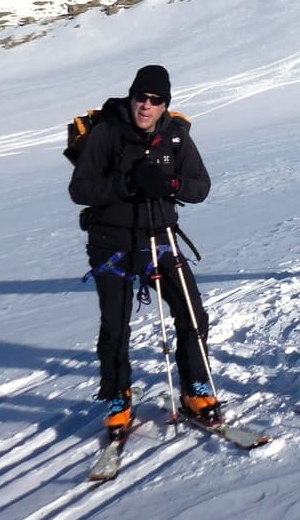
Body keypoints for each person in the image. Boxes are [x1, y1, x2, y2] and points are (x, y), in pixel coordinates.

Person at [69, 64, 216, 434]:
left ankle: (195, 387)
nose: (146, 106)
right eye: (141, 98)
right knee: (116, 325)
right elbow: (81, 190)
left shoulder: (176, 137)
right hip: (111, 243)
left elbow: (200, 187)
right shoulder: (107, 135)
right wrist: (129, 184)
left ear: (166, 104)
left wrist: (170, 183)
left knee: (192, 314)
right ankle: (118, 395)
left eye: (156, 100)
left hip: (160, 239)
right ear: (131, 97)